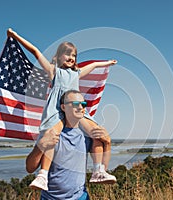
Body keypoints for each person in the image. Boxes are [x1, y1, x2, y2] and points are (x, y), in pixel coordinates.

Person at [7, 28, 117, 191]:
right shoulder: (54, 71)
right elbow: (35, 51)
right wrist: (15, 36)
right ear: (58, 57)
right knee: (52, 136)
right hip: (57, 110)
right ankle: (43, 175)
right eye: (67, 54)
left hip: (76, 109)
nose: (71, 58)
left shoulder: (76, 74)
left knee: (97, 133)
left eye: (74, 55)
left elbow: (93, 65)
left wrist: (108, 62)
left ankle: (98, 171)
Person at [27, 90, 105, 199]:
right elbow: (30, 168)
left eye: (83, 104)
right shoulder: (51, 133)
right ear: (63, 107)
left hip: (80, 196)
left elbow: (102, 157)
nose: (80, 108)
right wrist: (40, 146)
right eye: (75, 104)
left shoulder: (88, 135)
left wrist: (107, 142)